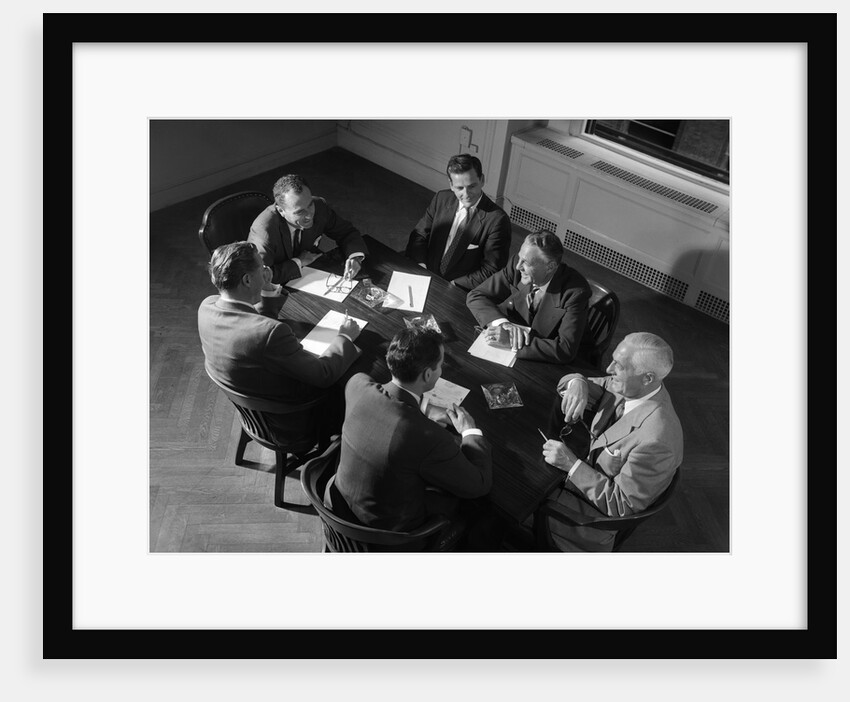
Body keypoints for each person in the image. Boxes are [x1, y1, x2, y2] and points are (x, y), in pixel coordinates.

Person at [326, 327, 495, 550]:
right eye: (441, 365)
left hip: (339, 505)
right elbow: (478, 485)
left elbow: (383, 395)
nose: (441, 369)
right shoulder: (429, 437)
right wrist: (469, 432)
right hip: (389, 536)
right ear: (427, 375)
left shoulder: (356, 385)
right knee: (483, 512)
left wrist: (423, 407)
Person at [197, 241, 362, 444]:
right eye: (262, 268)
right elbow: (323, 375)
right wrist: (345, 337)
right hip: (290, 421)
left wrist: (265, 288)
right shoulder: (272, 334)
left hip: (252, 406)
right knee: (350, 389)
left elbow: (255, 326)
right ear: (247, 279)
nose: (267, 271)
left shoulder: (206, 306)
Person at [540, 332, 684, 552]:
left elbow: (622, 505)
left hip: (585, 519)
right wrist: (577, 381)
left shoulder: (657, 441)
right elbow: (579, 383)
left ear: (647, 378)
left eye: (619, 366)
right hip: (579, 483)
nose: (608, 369)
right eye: (613, 359)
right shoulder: (633, 387)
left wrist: (571, 465)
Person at [465, 229, 593, 364]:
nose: (518, 266)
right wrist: (503, 325)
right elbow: (476, 296)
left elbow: (565, 349)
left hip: (561, 363)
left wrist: (511, 340)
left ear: (550, 267)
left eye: (526, 262)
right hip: (517, 352)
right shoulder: (516, 265)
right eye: (519, 258)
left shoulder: (575, 292)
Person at [405, 153, 511, 291]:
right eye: (460, 188)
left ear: (482, 180)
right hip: (426, 274)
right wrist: (421, 267)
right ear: (451, 185)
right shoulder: (441, 199)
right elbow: (419, 234)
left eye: (472, 186)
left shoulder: (498, 220)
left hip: (459, 289)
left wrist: (453, 286)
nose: (466, 194)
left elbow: (491, 270)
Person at [247, 173, 368, 287]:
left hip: (312, 274)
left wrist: (354, 257)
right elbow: (260, 277)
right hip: (277, 287)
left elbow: (346, 232)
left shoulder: (319, 206)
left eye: (310, 205)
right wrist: (298, 262)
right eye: (300, 212)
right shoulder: (263, 231)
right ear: (281, 211)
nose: (309, 215)